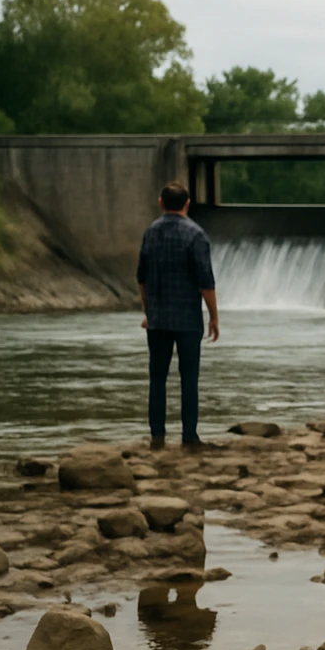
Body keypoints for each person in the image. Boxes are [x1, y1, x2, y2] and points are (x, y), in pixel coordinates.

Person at [137, 181, 219, 449]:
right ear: (187, 203)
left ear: (161, 203)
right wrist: (214, 317)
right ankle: (189, 437)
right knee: (189, 379)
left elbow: (142, 278)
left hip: (158, 319)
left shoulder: (151, 233)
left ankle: (157, 437)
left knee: (157, 379)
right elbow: (206, 282)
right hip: (187, 320)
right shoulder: (196, 235)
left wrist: (148, 311)